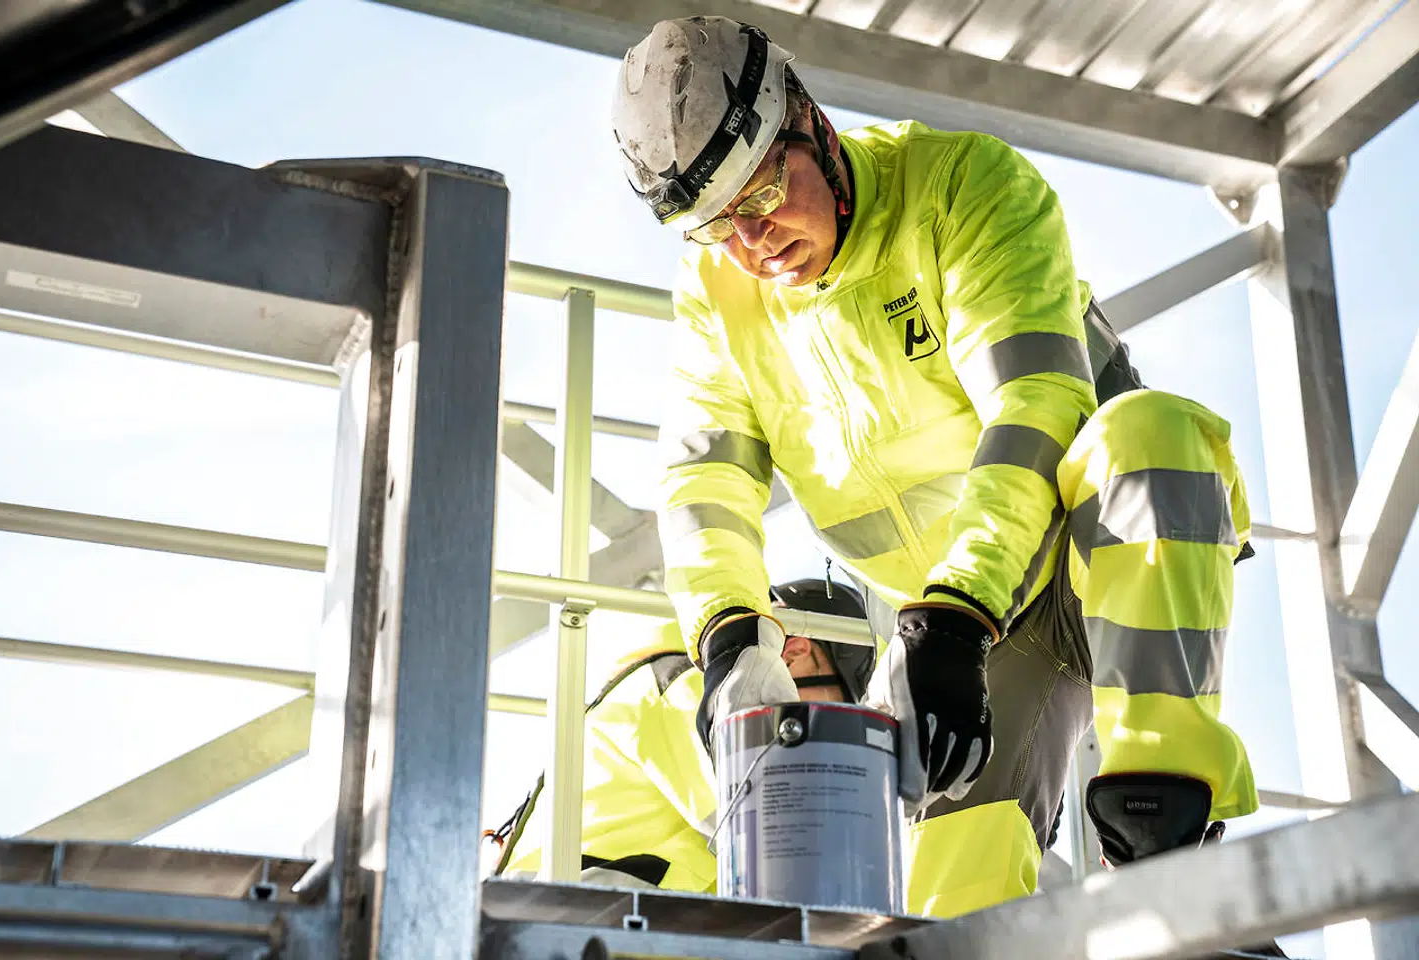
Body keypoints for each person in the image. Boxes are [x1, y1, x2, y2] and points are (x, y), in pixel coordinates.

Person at [610, 15, 1265, 923]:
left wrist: (952, 614)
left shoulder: (966, 187)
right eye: (713, 227)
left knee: (1150, 437)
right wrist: (728, 637)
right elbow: (703, 482)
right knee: (951, 917)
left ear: (811, 121)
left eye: (760, 198)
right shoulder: (722, 300)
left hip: (1092, 556)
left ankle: (1166, 853)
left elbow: (1035, 410)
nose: (752, 246)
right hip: (963, 634)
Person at [491, 578, 877, 891]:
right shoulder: (687, 689)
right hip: (579, 917)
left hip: (602, 919)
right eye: (824, 709)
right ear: (794, 653)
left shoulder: (675, 686)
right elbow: (776, 830)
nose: (814, 733)